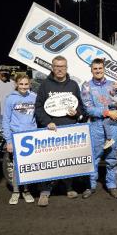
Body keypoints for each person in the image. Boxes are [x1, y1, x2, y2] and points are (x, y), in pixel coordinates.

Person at [34, 55, 84, 207]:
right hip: (50, 130)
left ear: (67, 68)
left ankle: (68, 187)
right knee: (49, 162)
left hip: (68, 129)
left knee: (67, 161)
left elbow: (80, 107)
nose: (60, 69)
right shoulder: (44, 85)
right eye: (57, 66)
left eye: (63, 66)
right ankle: (44, 192)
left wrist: (76, 113)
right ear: (52, 67)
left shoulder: (73, 85)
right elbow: (38, 107)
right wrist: (47, 122)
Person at [80, 58, 117, 199]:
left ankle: (111, 185)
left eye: (100, 68)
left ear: (104, 69)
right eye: (95, 69)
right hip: (96, 125)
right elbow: (88, 109)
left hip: (112, 125)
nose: (98, 71)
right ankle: (91, 186)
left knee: (112, 157)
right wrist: (106, 112)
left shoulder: (113, 85)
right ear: (91, 70)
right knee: (94, 157)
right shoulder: (86, 86)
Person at [2, 73, 36, 205]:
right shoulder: (10, 99)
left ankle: (26, 190)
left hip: (31, 137)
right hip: (16, 137)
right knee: (17, 166)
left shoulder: (34, 97)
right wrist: (8, 141)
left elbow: (37, 117)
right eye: (21, 84)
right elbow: (6, 120)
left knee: (28, 166)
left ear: (30, 85)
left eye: (26, 84)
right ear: (16, 84)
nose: (23, 86)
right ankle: (16, 191)